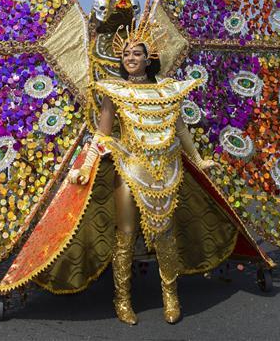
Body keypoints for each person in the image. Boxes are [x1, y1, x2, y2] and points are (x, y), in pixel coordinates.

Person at [66, 22, 218, 324]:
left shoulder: (167, 88)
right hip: (130, 167)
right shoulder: (114, 90)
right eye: (126, 54)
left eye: (137, 53)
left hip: (166, 171)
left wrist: (199, 160)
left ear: (149, 58)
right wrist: (84, 166)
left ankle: (170, 296)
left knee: (165, 234)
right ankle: (122, 300)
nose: (130, 58)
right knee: (124, 233)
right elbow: (103, 134)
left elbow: (181, 128)